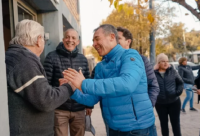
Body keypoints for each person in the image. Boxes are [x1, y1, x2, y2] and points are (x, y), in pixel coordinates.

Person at [62, 24, 157, 136]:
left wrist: (83, 83)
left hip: (137, 129)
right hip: (112, 129)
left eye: (97, 39)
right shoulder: (100, 67)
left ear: (112, 37)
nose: (93, 44)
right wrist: (73, 90)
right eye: (93, 41)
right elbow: (92, 99)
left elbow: (127, 84)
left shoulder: (130, 55)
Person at [6, 20, 74, 136]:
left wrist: (59, 89)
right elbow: (46, 100)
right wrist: (70, 86)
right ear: (38, 40)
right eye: (44, 39)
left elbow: (38, 93)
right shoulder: (24, 62)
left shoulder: (15, 57)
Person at [43, 28, 92, 136]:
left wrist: (89, 105)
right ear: (63, 39)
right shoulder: (51, 57)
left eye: (73, 38)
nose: (70, 40)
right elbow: (45, 84)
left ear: (78, 41)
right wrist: (58, 89)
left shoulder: (83, 59)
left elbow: (87, 82)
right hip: (60, 109)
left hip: (79, 108)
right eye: (67, 37)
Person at [117, 26, 160, 107]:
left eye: (118, 38)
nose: (115, 41)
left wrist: (149, 106)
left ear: (128, 41)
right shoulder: (108, 62)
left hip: (141, 113)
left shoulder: (142, 60)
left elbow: (153, 85)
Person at [154, 53, 184, 136]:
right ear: (158, 63)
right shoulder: (153, 74)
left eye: (167, 61)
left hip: (174, 102)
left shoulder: (173, 71)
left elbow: (180, 83)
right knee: (164, 125)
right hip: (160, 104)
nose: (166, 63)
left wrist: (178, 92)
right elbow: (150, 87)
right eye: (163, 61)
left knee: (176, 125)